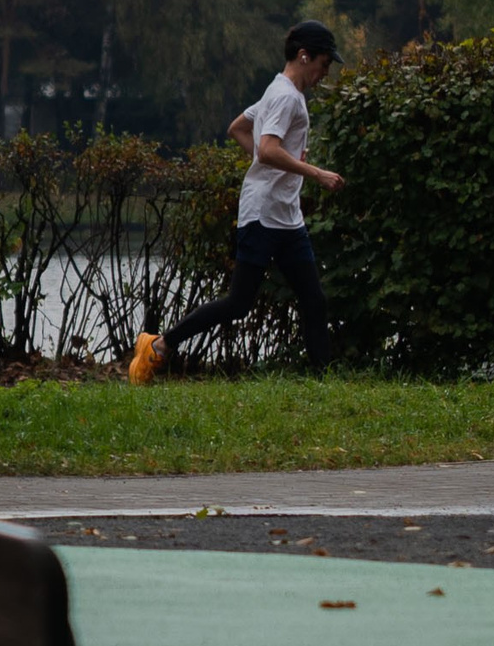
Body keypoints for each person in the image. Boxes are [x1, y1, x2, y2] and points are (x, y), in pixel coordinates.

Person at [127, 19, 346, 384]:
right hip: (262, 216)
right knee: (238, 303)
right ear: (304, 56)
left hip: (285, 216)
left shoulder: (277, 93)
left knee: (314, 299)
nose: (325, 73)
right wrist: (314, 172)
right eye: (324, 64)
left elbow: (238, 129)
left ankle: (322, 382)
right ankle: (159, 345)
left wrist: (273, 168)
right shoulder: (286, 97)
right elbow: (267, 148)